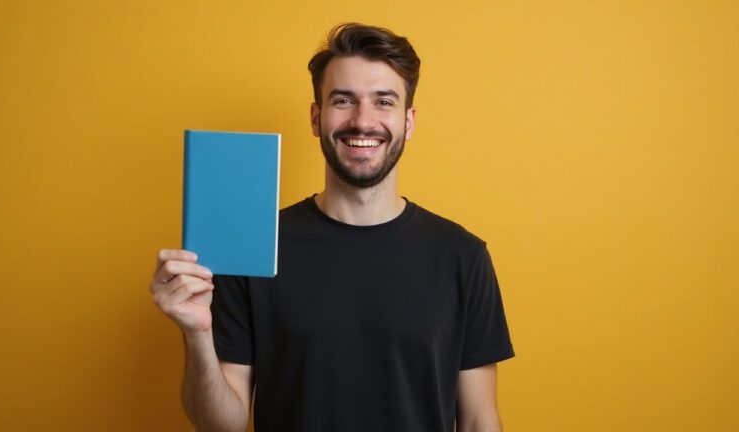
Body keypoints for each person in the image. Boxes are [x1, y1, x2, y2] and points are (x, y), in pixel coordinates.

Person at [151, 23, 514, 432]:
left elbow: (480, 420)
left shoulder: (462, 256)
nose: (363, 121)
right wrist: (198, 335)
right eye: (343, 100)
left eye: (383, 102)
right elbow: (222, 426)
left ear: (408, 121)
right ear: (315, 116)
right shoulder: (255, 247)